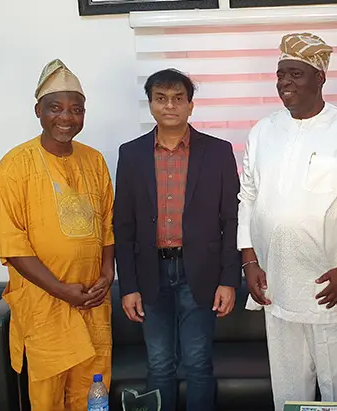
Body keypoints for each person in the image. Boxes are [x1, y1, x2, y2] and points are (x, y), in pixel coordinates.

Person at [237, 32, 337, 409]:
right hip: (277, 284)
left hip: (331, 286)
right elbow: (248, 197)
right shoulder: (262, 131)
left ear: (320, 78)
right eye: (281, 74)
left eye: (296, 74)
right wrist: (249, 260)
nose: (285, 83)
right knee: (287, 390)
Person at [114, 68, 241, 411]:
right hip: (149, 272)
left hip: (200, 273)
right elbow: (122, 226)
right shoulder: (131, 154)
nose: (169, 105)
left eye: (178, 98)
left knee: (198, 363)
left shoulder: (217, 152)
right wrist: (127, 286)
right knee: (158, 365)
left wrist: (229, 279)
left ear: (190, 105)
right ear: (151, 104)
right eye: (161, 98)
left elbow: (231, 220)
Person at [0, 59, 114, 410]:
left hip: (92, 300)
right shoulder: (14, 166)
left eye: (76, 109)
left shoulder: (94, 161)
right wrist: (61, 290)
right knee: (48, 397)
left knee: (93, 393)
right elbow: (12, 243)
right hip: (46, 305)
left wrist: (107, 274)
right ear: (38, 111)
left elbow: (107, 224)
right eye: (55, 108)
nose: (66, 117)